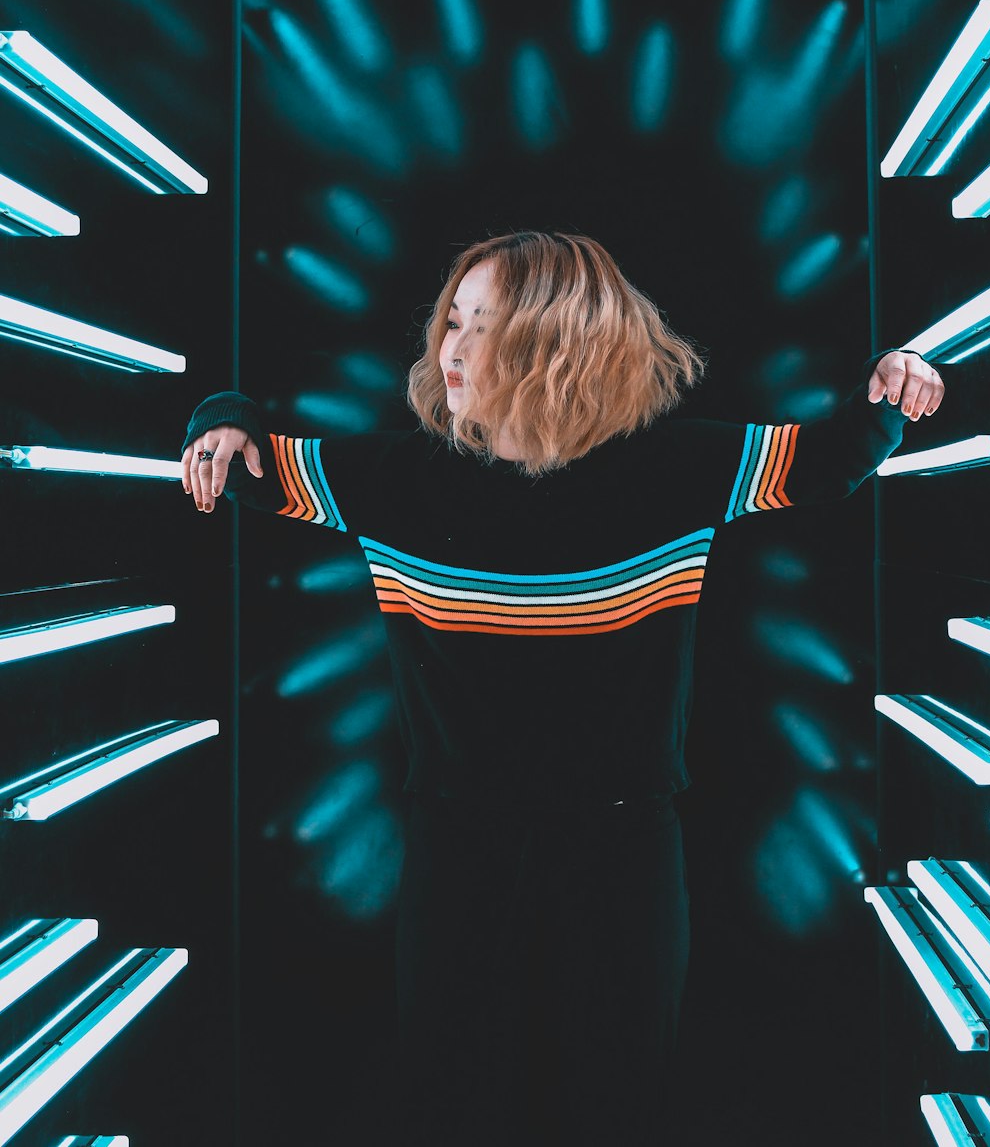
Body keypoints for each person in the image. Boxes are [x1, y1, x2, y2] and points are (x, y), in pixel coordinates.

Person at [180, 229, 945, 1147]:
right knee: (454, 1105)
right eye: (451, 321)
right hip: (458, 850)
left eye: (485, 324)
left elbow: (830, 459)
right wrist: (217, 412)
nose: (453, 349)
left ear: (557, 338)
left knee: (617, 1106)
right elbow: (251, 459)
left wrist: (897, 378)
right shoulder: (390, 481)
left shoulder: (677, 470)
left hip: (623, 853)